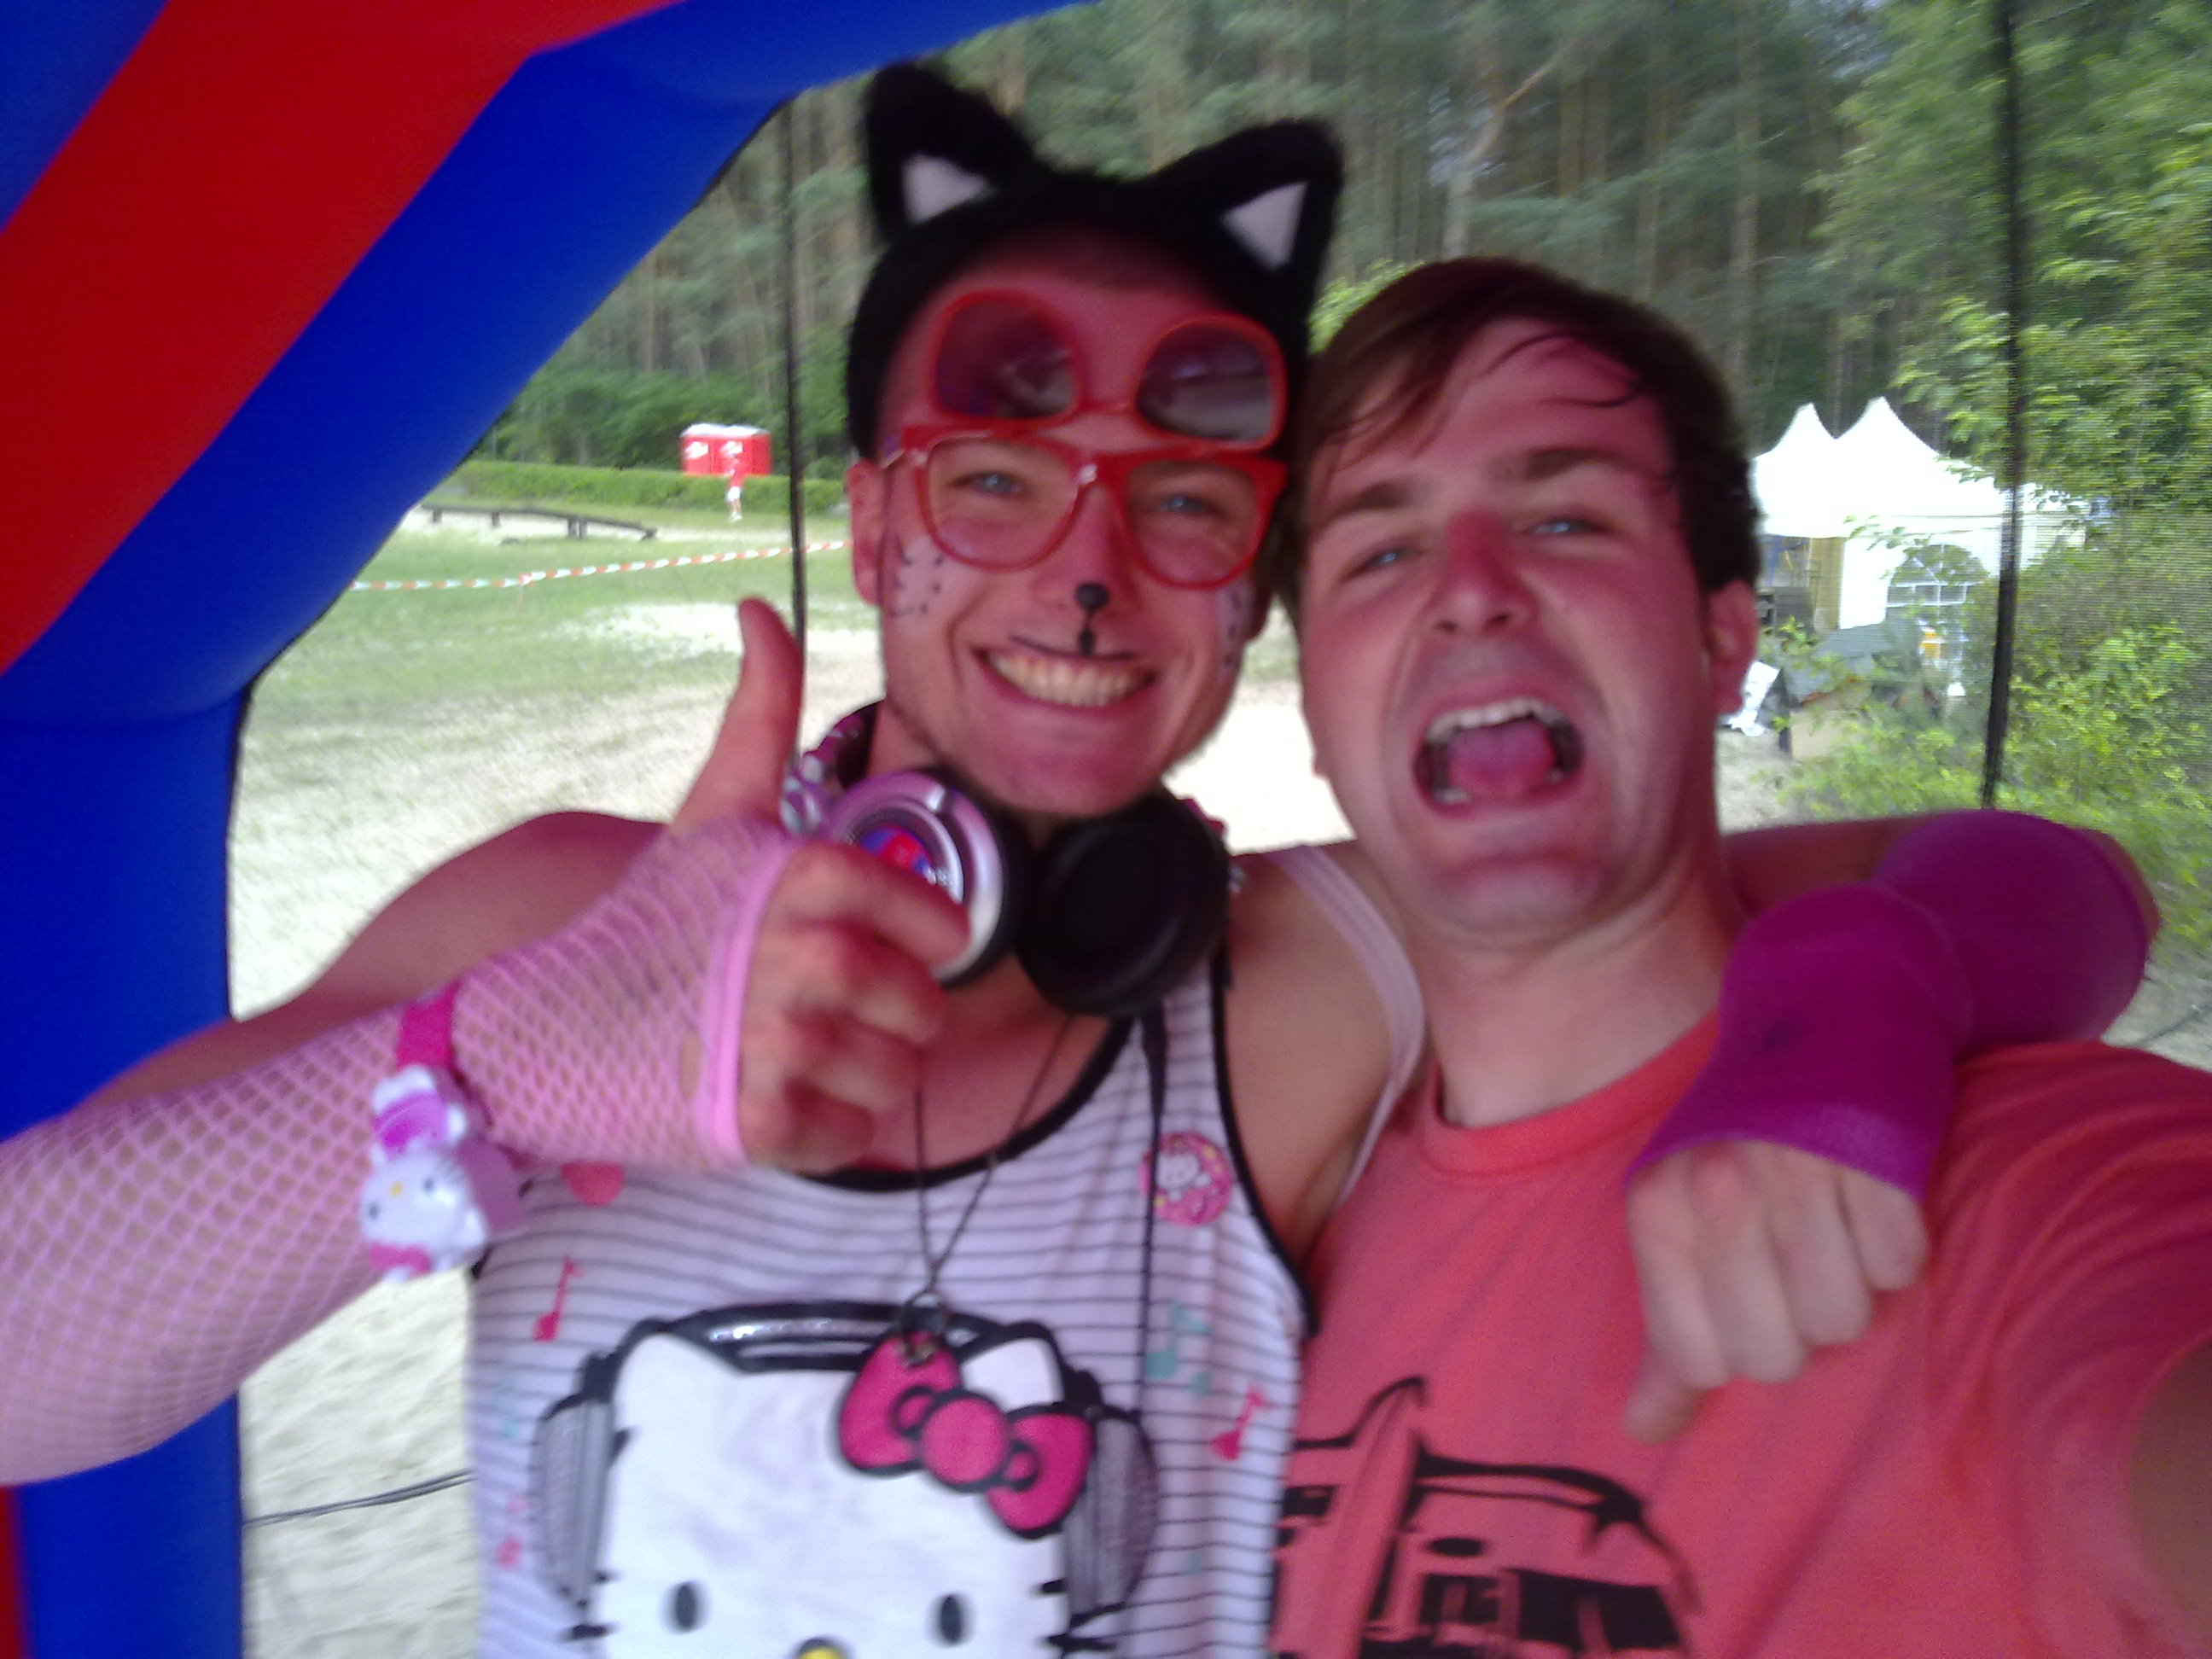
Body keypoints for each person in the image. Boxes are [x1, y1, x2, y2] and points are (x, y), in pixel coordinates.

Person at [0, 74, 2151, 1657]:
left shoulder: (1307, 980)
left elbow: (2046, 882)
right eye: (1001, 482)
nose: (1092, 575)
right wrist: (503, 1064)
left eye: (1185, 505)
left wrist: (1838, 1012)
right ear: (873, 528)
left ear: (1246, 589)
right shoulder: (565, 925)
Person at [1269, 257, 2212, 1656]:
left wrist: (1854, 979)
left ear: (1723, 642)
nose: (1471, 591)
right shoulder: (1277, 1237)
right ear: (1315, 705)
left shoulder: (2035, 1181)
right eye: (1381, 552)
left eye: (1565, 518)